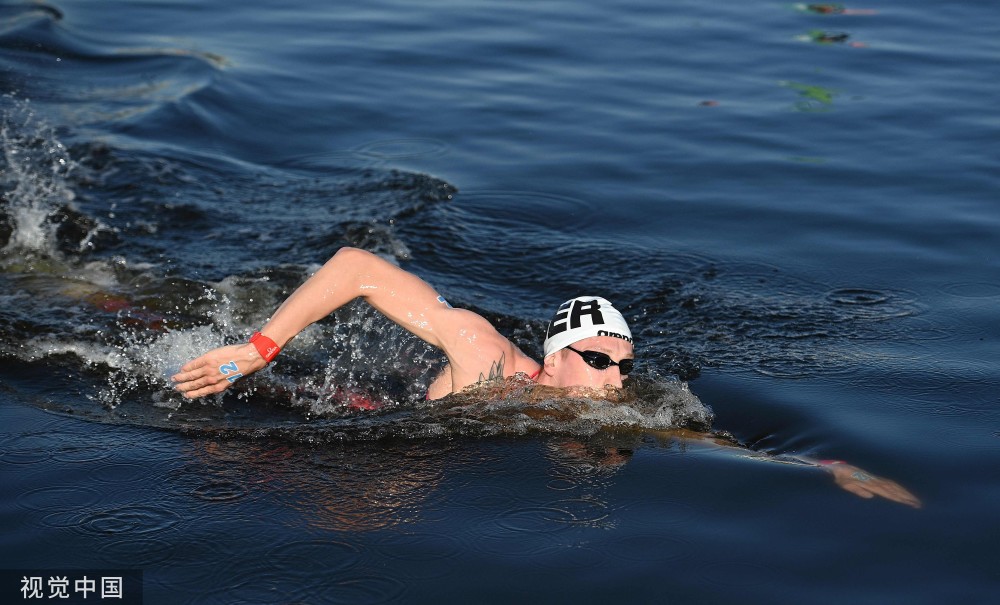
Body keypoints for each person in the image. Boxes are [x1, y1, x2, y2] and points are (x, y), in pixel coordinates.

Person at [172, 246, 921, 508]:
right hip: (348, 402)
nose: (613, 379)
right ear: (555, 355)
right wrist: (260, 346)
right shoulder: (485, 351)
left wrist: (829, 465)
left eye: (623, 365)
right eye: (598, 360)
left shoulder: (610, 409)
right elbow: (358, 266)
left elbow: (710, 438)